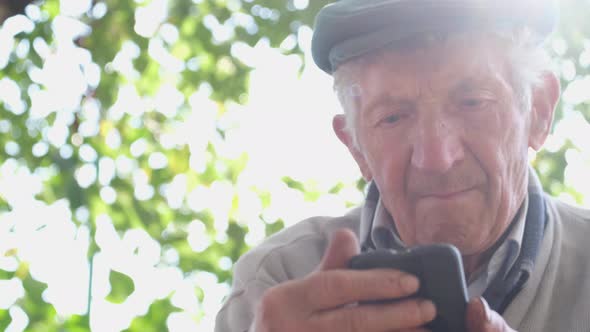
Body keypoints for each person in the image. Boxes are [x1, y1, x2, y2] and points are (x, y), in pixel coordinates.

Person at [216, 0, 590, 331]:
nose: (437, 159)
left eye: (473, 102)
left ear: (539, 112)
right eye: (393, 118)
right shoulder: (281, 282)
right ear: (355, 147)